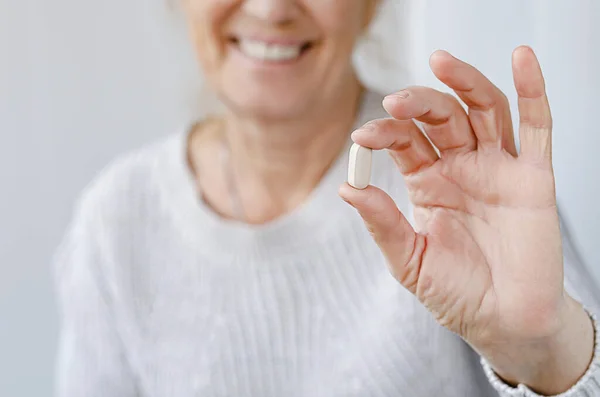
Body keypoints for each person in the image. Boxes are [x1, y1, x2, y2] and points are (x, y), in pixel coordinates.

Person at [54, 1, 600, 396]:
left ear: (370, 7)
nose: (271, 10)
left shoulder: (461, 183)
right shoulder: (116, 222)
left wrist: (546, 353)